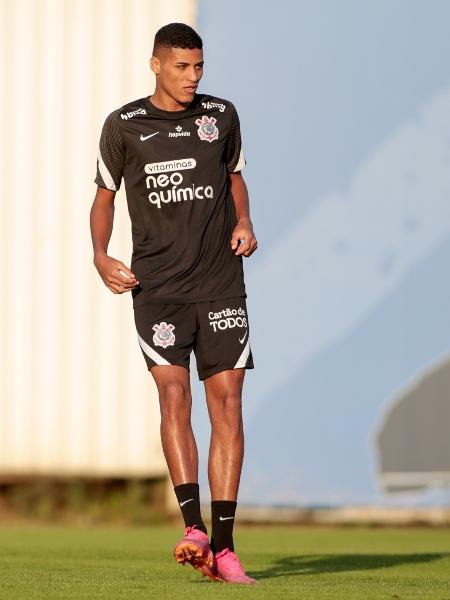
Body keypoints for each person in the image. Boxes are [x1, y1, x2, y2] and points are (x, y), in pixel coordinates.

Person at [90, 22, 258, 585]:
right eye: (182, 67)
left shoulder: (222, 116)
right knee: (173, 394)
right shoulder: (124, 125)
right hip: (156, 287)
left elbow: (234, 177)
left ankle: (226, 547)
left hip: (219, 282)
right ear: (156, 64)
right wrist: (99, 254)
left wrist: (244, 221)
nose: (193, 77)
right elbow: (105, 195)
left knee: (228, 402)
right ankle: (194, 529)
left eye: (199, 66)